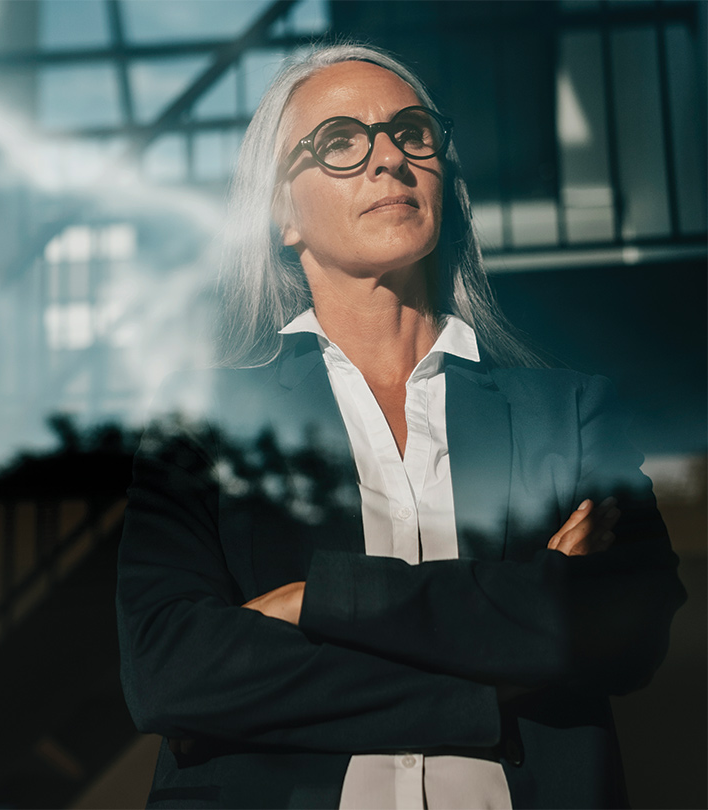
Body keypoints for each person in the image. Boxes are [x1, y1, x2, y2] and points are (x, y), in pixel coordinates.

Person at [115, 43, 687, 809]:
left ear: (443, 176)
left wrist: (316, 601)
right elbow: (172, 673)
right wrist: (501, 669)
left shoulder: (571, 412)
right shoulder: (201, 430)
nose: (389, 158)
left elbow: (625, 626)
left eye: (412, 132)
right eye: (341, 142)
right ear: (283, 215)